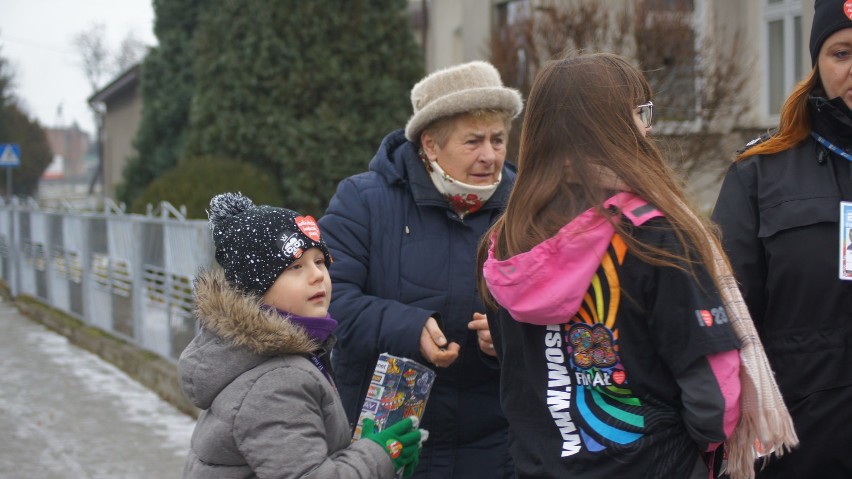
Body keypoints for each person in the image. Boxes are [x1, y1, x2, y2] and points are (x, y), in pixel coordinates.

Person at [477, 53, 796, 479]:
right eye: (641, 113)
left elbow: (518, 377)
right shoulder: (656, 237)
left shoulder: (502, 244)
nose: (649, 128)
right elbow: (714, 403)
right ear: (614, 127)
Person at [318, 61, 523, 478]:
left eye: (498, 139)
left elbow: (557, 309)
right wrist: (408, 327)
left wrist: (509, 335)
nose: (490, 155)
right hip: (383, 444)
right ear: (430, 144)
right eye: (473, 141)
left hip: (494, 448)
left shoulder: (524, 208)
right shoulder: (363, 200)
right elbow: (328, 298)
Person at [178, 192, 427, 479]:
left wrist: (365, 450)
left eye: (320, 262)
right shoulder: (276, 383)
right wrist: (378, 455)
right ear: (256, 289)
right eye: (296, 266)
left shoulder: (274, 359)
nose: (317, 276)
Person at [711, 0, 852, 476]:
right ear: (817, 63)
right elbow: (725, 314)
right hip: (799, 445)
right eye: (842, 52)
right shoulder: (759, 173)